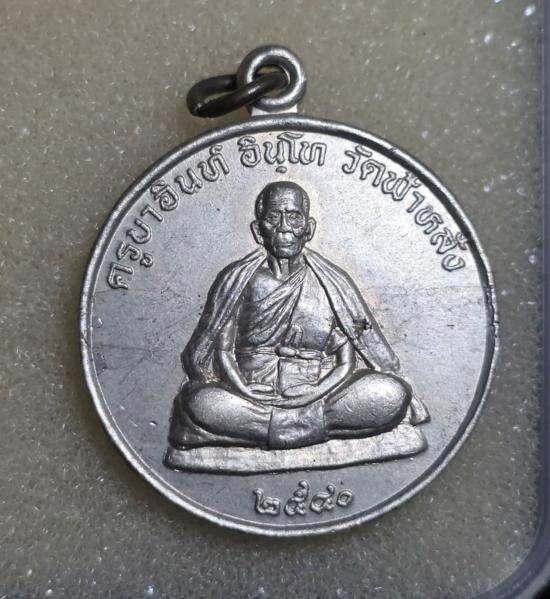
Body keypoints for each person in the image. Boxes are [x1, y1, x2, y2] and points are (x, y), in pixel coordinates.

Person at [166, 181, 428, 454]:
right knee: (199, 401)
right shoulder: (238, 280)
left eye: (294, 217)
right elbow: (220, 350)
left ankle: (271, 430)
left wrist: (316, 392)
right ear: (258, 230)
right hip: (252, 398)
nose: (284, 228)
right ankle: (312, 428)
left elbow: (348, 359)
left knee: (390, 392)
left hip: (317, 397)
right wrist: (244, 389)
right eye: (273, 217)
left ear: (309, 228)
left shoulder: (331, 284)